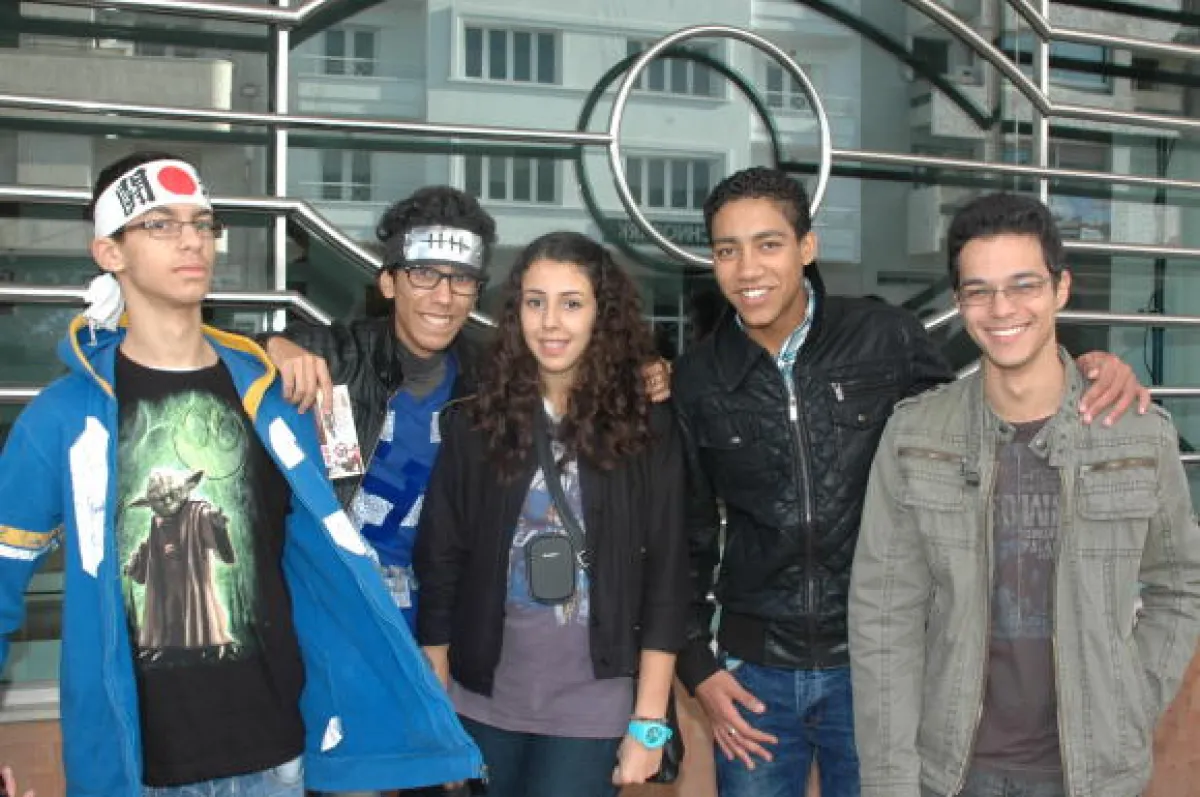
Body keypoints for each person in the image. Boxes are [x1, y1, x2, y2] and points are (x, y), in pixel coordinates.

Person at [0, 152, 482, 796]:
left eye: (202, 223)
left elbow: (331, 561)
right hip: (139, 763)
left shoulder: (275, 399)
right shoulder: (64, 418)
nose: (191, 240)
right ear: (109, 252)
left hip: (276, 756)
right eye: (161, 225)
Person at [669, 167, 1151, 797]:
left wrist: (1086, 366)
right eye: (727, 250)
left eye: (768, 244)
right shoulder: (697, 378)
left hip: (878, 666)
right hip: (753, 673)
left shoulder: (882, 337)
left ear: (806, 247)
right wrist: (698, 667)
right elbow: (683, 536)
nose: (748, 268)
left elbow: (984, 408)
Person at [849, 193, 1200, 797]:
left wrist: (1129, 703)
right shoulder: (914, 436)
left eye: (1023, 285)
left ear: (1061, 288)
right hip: (951, 773)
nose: (1002, 308)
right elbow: (884, 618)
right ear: (959, 302)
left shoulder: (1139, 435)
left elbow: (1180, 585)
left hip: (1092, 777)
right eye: (979, 290)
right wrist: (890, 782)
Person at [414, 231, 689, 797]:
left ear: (601, 314)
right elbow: (441, 560)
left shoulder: (647, 426)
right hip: (481, 700)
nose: (551, 323)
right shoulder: (476, 419)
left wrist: (649, 722)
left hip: (594, 708)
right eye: (535, 302)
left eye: (572, 303)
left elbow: (666, 576)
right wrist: (437, 703)